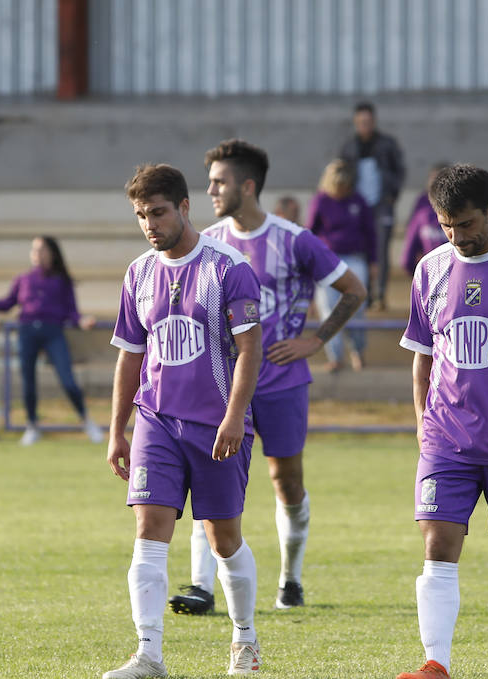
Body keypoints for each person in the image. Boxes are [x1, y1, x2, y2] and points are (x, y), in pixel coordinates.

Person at [178, 139, 366, 614]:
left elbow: (353, 290)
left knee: (287, 482)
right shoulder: (209, 242)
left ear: (248, 185)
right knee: (211, 477)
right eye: (210, 181)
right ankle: (201, 585)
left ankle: (291, 578)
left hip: (282, 381)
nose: (211, 190)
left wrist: (316, 341)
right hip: (223, 384)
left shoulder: (294, 239)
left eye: (219, 182)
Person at [103, 164, 264, 678]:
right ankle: (149, 654)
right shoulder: (138, 273)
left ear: (184, 207)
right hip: (157, 422)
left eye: (158, 212)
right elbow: (130, 355)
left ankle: (245, 641)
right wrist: (117, 430)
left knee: (223, 538)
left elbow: (250, 350)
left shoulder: (228, 268)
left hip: (217, 426)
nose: (150, 224)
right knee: (149, 531)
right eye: (141, 215)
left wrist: (235, 417)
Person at [395, 164, 488, 679]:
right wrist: (422, 422)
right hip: (446, 437)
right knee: (437, 542)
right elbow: (423, 355)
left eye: (467, 224)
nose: (458, 237)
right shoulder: (429, 268)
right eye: (447, 226)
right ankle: (436, 665)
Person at [0, 236, 102, 445]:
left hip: (53, 332)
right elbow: (5, 304)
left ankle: (86, 421)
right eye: (34, 250)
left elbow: (71, 311)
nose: (37, 254)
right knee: (28, 382)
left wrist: (82, 320)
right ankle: (32, 425)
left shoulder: (61, 281)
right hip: (27, 332)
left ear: (52, 253)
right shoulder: (23, 279)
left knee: (68, 380)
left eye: (42, 250)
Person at [308, 158, 376, 372]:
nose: (341, 190)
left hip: (354, 258)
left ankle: (358, 352)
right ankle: (336, 356)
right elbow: (310, 233)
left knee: (356, 308)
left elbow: (371, 233)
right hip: (327, 259)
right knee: (329, 309)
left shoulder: (358, 201)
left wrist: (374, 262)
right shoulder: (321, 200)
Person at [340, 101, 406, 310]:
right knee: (361, 250)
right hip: (357, 208)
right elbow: (341, 172)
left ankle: (381, 295)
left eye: (368, 122)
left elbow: (400, 170)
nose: (364, 126)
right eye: (360, 122)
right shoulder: (349, 147)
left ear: (374, 121)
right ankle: (366, 294)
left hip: (382, 205)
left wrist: (392, 195)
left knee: (381, 248)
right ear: (355, 122)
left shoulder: (387, 144)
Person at [401, 164, 452, 276]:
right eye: (432, 179)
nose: (435, 184)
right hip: (430, 269)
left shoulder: (461, 209)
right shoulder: (422, 207)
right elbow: (412, 233)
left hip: (455, 269)